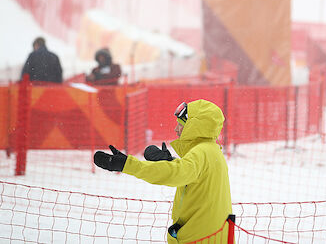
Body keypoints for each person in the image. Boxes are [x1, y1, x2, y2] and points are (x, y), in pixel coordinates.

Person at [94, 100, 232, 243]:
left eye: (181, 125)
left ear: (194, 127)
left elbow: (176, 174)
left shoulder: (201, 152)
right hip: (209, 234)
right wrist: (171, 161)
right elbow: (188, 172)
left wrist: (127, 165)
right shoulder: (211, 151)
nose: (176, 130)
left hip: (201, 238)